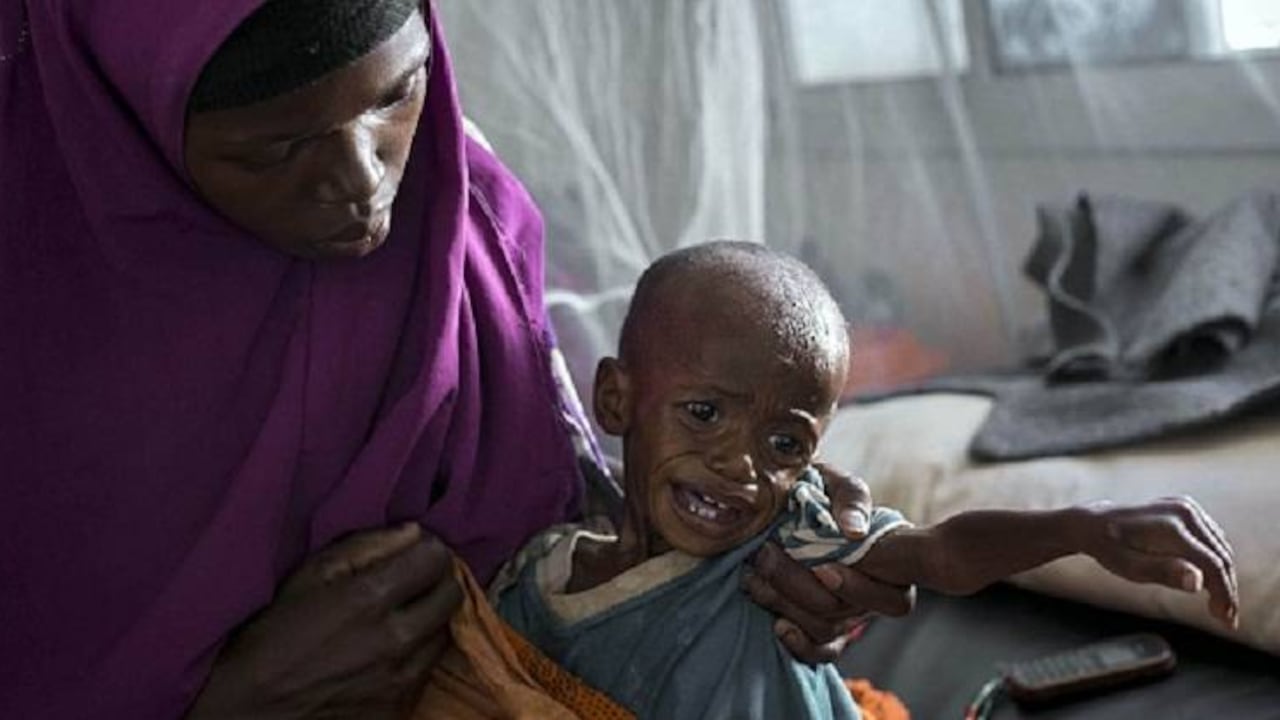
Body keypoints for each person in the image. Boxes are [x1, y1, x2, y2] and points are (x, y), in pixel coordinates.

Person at [0, 3, 907, 718]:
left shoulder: (463, 219)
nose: (364, 180)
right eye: (274, 148)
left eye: (397, 93)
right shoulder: (34, 301)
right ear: (126, 129)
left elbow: (576, 519)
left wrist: (766, 551)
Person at [488, 241, 1239, 719]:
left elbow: (939, 554)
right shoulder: (536, 579)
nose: (741, 466)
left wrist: (1079, 528)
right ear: (615, 399)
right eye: (705, 413)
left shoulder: (789, 535)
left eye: (785, 442)